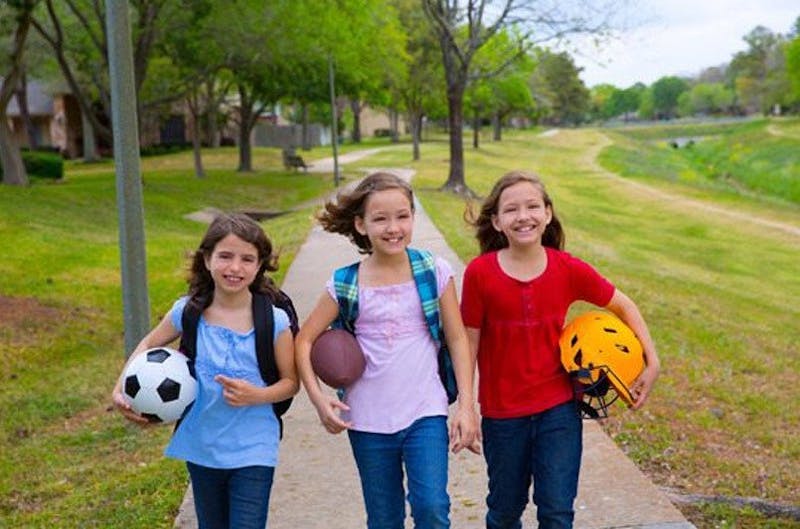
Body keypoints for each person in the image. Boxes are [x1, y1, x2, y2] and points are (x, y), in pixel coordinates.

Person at [460, 171, 660, 529]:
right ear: (496, 221)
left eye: (533, 206)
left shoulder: (567, 268)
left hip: (558, 411)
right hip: (503, 415)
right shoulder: (480, 274)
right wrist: (465, 407)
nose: (524, 216)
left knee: (556, 512)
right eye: (512, 209)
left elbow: (624, 306)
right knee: (505, 512)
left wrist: (652, 359)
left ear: (548, 213)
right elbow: (468, 342)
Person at [295, 171, 480, 529]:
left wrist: (467, 407)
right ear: (361, 225)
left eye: (402, 216)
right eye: (380, 219)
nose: (393, 227)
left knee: (431, 508)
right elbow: (304, 340)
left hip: (426, 412)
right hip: (366, 418)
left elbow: (457, 339)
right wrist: (320, 402)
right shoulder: (345, 283)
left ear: (413, 217)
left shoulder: (433, 271)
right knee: (383, 519)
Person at [111, 213, 298, 529]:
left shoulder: (274, 321)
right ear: (208, 258)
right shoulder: (188, 311)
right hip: (202, 444)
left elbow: (291, 382)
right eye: (225, 256)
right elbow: (147, 343)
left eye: (247, 259)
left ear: (259, 265)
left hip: (254, 447)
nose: (235, 267)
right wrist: (120, 388)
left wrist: (258, 395)